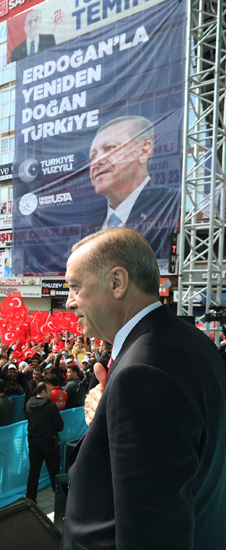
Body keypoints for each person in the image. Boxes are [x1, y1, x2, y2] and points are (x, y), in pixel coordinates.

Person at [61, 227, 226, 548]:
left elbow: (152, 534)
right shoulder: (195, 341)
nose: (69, 302)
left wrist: (121, 397)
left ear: (117, 282)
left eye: (76, 287)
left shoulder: (140, 373)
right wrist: (111, 413)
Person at [88, 116, 180, 258]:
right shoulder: (87, 221)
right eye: (93, 156)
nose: (97, 162)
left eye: (110, 148)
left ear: (144, 151)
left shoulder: (176, 202)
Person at [24, 382, 63, 502]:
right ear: (44, 392)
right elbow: (60, 426)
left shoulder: (29, 404)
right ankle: (60, 499)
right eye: (49, 391)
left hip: (34, 443)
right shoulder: (51, 407)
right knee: (54, 473)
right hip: (49, 444)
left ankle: (31, 499)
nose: (51, 393)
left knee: (34, 472)